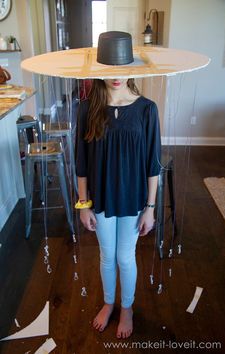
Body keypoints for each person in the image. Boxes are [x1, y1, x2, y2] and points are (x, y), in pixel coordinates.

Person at [75, 77, 161, 339]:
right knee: (107, 256)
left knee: (125, 257)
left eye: (120, 69)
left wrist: (150, 207)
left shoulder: (147, 108)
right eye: (109, 69)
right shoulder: (87, 109)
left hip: (133, 199)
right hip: (100, 198)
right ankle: (109, 302)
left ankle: (127, 308)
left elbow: (153, 161)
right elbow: (81, 160)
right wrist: (83, 204)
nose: (116, 76)